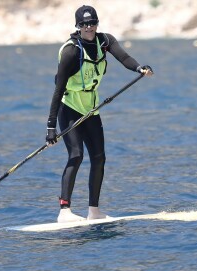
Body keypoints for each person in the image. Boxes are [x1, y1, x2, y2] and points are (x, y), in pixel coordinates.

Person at [46, 5, 153, 223]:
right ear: (77, 26)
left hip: (91, 109)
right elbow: (58, 90)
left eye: (93, 23)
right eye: (85, 24)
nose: (89, 27)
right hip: (69, 108)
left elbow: (124, 57)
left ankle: (93, 210)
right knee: (76, 155)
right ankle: (64, 211)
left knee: (99, 157)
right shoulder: (71, 51)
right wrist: (50, 128)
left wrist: (139, 68)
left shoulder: (105, 41)